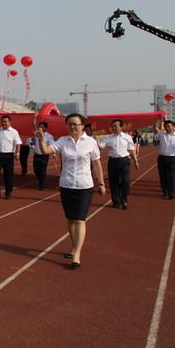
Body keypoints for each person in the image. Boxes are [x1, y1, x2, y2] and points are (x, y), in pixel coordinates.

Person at [37, 113, 105, 269]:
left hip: (84, 185)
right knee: (70, 219)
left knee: (80, 220)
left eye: (76, 124)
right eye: (70, 124)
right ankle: (74, 246)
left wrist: (101, 183)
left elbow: (97, 164)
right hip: (66, 184)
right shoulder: (63, 141)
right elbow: (46, 150)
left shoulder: (90, 142)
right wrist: (41, 140)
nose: (73, 127)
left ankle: (77, 254)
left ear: (82, 126)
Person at [98, 119, 139, 210]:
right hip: (113, 161)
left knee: (125, 181)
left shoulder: (127, 137)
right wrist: (97, 142)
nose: (113, 128)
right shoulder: (108, 137)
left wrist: (135, 161)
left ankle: (124, 200)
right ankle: (116, 201)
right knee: (113, 182)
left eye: (115, 126)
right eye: (112, 126)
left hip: (124, 161)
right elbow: (101, 147)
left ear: (121, 127)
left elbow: (131, 150)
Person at [0, 115, 22, 200]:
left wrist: (17, 153)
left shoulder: (14, 132)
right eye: (2, 121)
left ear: (9, 122)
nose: (3, 123)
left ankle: (8, 192)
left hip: (9, 156)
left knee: (8, 175)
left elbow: (18, 143)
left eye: (5, 121)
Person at [154, 116, 175, 199]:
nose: (167, 128)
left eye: (169, 126)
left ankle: (172, 192)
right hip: (162, 158)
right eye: (166, 126)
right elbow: (155, 128)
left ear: (173, 127)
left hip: (173, 158)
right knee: (163, 176)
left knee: (172, 176)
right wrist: (158, 120)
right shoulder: (161, 134)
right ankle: (165, 191)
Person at [32, 120, 55, 191]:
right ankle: (40, 180)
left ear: (45, 128)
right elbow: (33, 126)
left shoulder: (49, 136)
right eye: (39, 127)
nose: (40, 128)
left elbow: (52, 145)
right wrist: (34, 118)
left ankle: (41, 184)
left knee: (42, 170)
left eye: (42, 127)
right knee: (36, 170)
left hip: (44, 156)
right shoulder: (37, 134)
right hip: (36, 155)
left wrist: (53, 153)